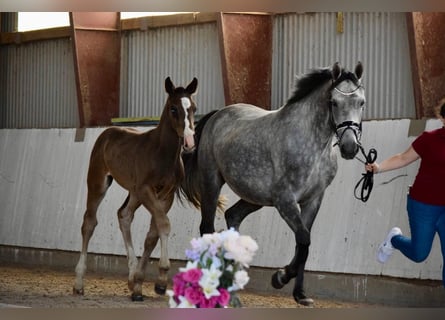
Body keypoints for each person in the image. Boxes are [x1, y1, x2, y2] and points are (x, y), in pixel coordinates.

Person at [365, 98, 445, 288]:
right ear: (442, 118)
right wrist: (378, 167)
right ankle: (394, 239)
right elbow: (402, 158)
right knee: (419, 254)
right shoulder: (429, 139)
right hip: (423, 205)